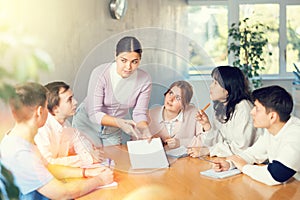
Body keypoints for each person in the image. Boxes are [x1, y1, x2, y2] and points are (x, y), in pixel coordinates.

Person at [0, 82, 113, 199]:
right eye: (46, 107)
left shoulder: (19, 141)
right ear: (40, 111)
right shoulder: (20, 153)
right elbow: (61, 193)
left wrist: (86, 172)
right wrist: (99, 180)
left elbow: (48, 167)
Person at [212, 85, 300, 186]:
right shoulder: (272, 129)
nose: (251, 112)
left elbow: (275, 176)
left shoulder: (295, 136)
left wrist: (244, 167)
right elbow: (252, 154)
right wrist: (230, 164)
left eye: (257, 109)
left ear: (272, 116)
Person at [72, 36, 152, 146]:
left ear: (140, 60)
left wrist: (144, 128)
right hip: (87, 123)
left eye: (134, 62)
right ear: (115, 55)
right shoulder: (100, 73)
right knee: (90, 160)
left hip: (113, 129)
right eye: (123, 60)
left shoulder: (144, 79)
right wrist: (119, 122)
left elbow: (139, 112)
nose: (128, 67)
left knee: (114, 161)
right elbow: (94, 114)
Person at [188, 66, 261, 157]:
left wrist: (209, 151)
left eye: (215, 83)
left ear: (227, 89)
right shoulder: (220, 107)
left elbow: (241, 147)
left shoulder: (244, 108)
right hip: (232, 160)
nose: (211, 86)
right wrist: (206, 125)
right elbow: (218, 142)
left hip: (252, 162)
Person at [35, 81, 103, 168]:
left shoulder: (66, 124)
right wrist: (87, 158)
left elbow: (84, 147)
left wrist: (90, 155)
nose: (75, 102)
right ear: (55, 109)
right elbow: (48, 164)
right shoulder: (41, 128)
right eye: (69, 99)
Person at [148, 80, 204, 149]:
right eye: (170, 93)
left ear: (185, 104)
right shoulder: (150, 114)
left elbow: (204, 140)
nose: (171, 99)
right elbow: (135, 141)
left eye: (178, 98)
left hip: (186, 159)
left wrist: (180, 142)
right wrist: (151, 142)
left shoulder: (194, 113)